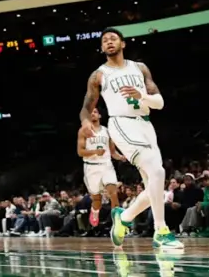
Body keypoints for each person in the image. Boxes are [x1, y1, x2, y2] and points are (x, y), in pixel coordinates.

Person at [79, 27, 184, 251]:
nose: (109, 42)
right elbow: (87, 107)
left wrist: (142, 96)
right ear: (102, 47)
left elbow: (159, 103)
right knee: (158, 172)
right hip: (121, 124)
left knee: (154, 185)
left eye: (113, 38)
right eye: (104, 40)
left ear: (123, 43)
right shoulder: (99, 75)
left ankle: (123, 217)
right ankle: (161, 231)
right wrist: (85, 122)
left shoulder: (140, 68)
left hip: (145, 125)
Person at [77, 107, 125, 227]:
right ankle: (95, 211)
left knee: (113, 193)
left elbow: (113, 152)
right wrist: (94, 152)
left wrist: (121, 157)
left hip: (106, 165)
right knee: (97, 200)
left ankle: (117, 222)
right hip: (91, 168)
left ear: (99, 115)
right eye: (90, 112)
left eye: (95, 112)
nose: (92, 114)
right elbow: (80, 152)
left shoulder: (107, 131)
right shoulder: (83, 131)